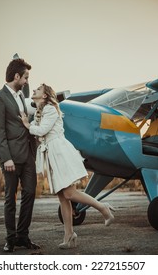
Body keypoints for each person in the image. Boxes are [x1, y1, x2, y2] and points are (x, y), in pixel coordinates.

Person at [20, 83, 115, 249]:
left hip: (59, 152)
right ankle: (69, 236)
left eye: (38, 89)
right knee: (63, 197)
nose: (34, 90)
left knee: (69, 193)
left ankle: (103, 208)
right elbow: (40, 134)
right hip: (52, 154)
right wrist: (32, 125)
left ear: (44, 96)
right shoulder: (39, 112)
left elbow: (42, 130)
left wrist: (28, 125)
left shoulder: (49, 108)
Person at [0, 58, 40, 252]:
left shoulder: (20, 96)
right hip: (11, 157)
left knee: (30, 194)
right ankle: (10, 239)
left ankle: (23, 236)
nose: (27, 81)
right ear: (16, 76)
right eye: (26, 77)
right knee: (10, 198)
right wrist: (6, 157)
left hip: (28, 155)